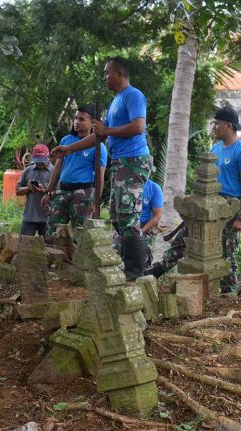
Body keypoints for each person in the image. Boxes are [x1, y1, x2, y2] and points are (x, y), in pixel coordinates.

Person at [52, 56, 151, 279]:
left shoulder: (133, 95)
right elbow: (100, 136)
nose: (105, 77)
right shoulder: (115, 101)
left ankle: (136, 271)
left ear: (119, 74)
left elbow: (138, 126)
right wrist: (70, 149)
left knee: (127, 216)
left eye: (108, 73)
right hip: (120, 161)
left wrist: (107, 131)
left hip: (134, 160)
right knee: (116, 216)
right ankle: (128, 265)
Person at [43, 105, 107, 239]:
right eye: (76, 118)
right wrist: (49, 192)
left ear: (93, 123)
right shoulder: (66, 141)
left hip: (82, 194)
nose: (76, 122)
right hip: (62, 192)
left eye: (82, 119)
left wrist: (96, 203)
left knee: (80, 233)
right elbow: (58, 168)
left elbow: (100, 177)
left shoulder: (99, 146)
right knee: (53, 232)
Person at [211, 106, 241, 293]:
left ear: (228, 125)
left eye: (217, 123)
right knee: (212, 249)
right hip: (214, 206)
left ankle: (230, 293)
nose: (214, 127)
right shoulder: (215, 148)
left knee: (228, 253)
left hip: (233, 207)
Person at [16, 144, 53, 237]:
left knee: (49, 247)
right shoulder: (28, 171)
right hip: (30, 216)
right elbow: (17, 191)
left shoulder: (55, 171)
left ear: (48, 157)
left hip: (48, 217)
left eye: (42, 161)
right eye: (37, 161)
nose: (39, 164)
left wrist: (44, 191)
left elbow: (60, 193)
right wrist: (28, 188)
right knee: (23, 245)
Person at [140, 176, 164, 267]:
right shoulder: (126, 185)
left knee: (143, 253)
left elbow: (157, 216)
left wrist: (141, 232)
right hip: (127, 225)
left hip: (145, 226)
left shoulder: (154, 188)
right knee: (115, 250)